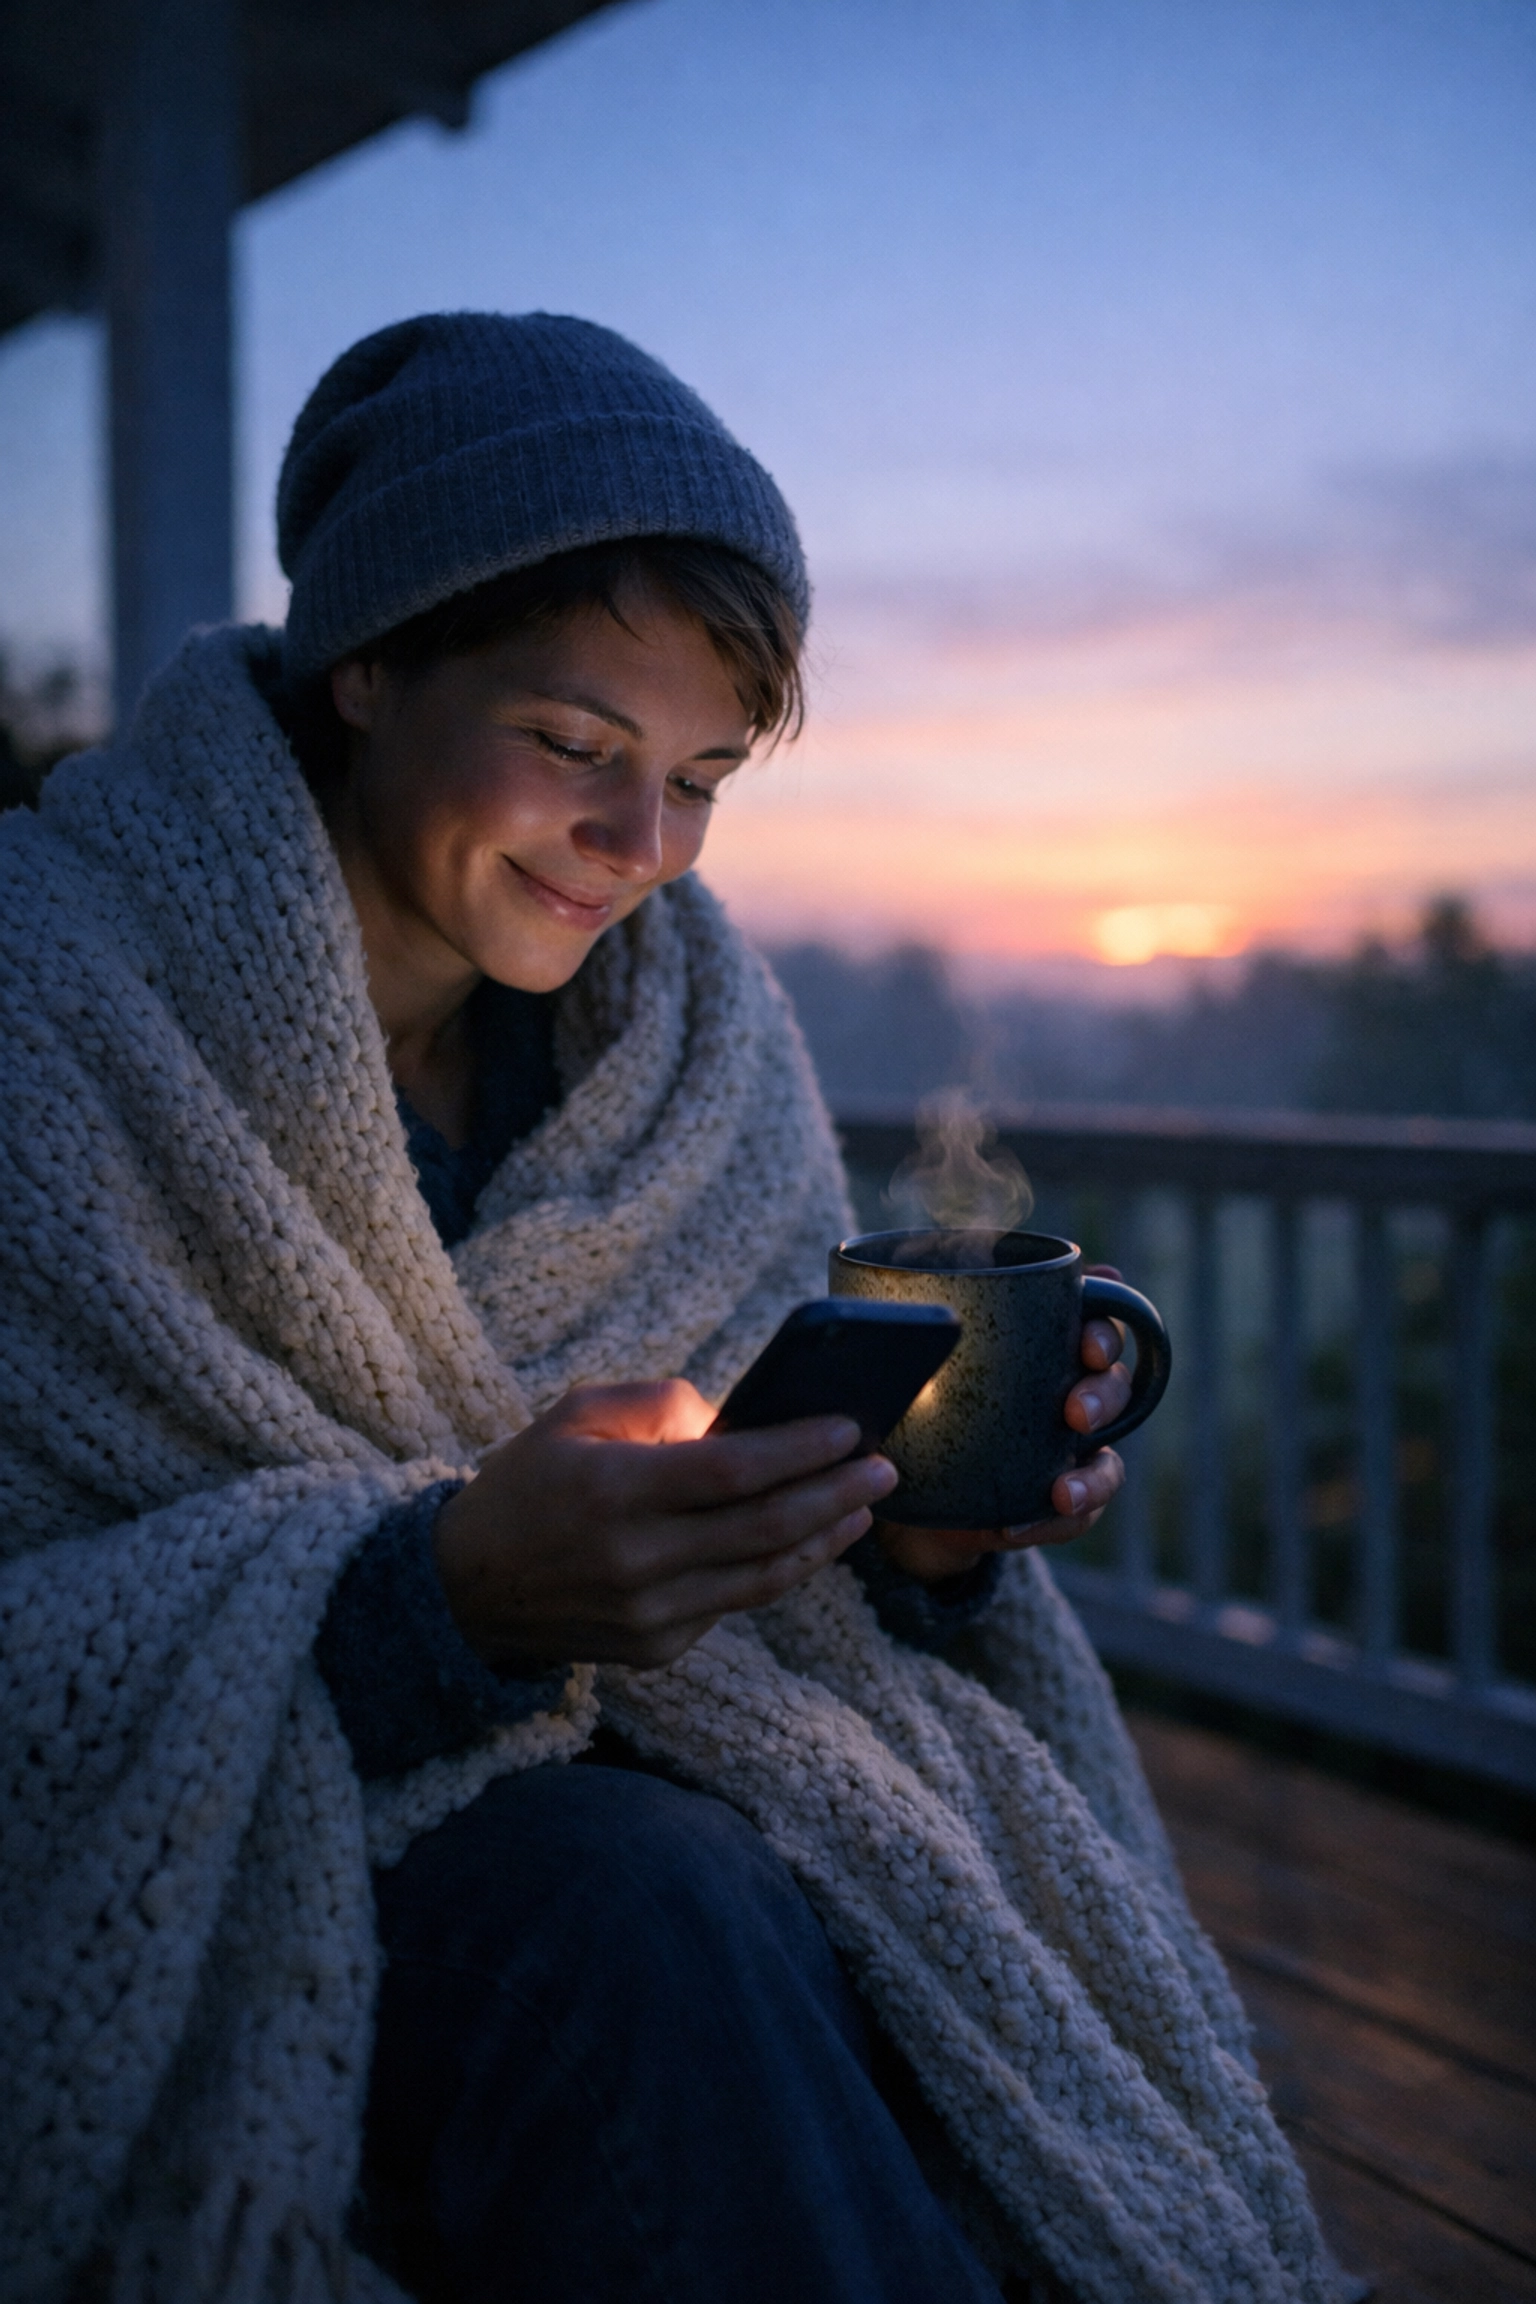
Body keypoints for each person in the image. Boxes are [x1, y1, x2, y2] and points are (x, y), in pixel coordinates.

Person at [0, 314, 1336, 2304]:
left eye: (703, 778)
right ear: (370, 663)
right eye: (575, 746)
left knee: (875, 1907)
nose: (646, 853)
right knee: (641, 1905)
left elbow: (769, 1544)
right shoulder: (57, 1017)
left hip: (704, 1803)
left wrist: (912, 1550)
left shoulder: (696, 1045)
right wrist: (433, 1604)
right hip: (278, 1883)